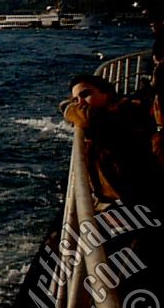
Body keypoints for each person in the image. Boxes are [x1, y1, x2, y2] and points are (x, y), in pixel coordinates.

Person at [63, 73, 158, 209]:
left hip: (139, 202)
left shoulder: (127, 113)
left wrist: (68, 108)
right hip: (121, 199)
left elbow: (89, 119)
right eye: (76, 99)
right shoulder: (112, 114)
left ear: (106, 93)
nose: (80, 103)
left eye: (85, 94)